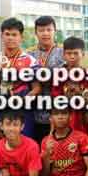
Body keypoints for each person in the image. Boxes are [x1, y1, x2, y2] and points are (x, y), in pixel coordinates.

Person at [0, 18, 41, 138]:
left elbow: (36, 88)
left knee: (24, 146)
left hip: (23, 111)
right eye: (7, 34)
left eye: (14, 34)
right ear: (2, 35)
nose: (10, 38)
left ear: (21, 37)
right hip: (1, 109)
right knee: (2, 146)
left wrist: (23, 101)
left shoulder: (30, 61)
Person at [27, 16, 64, 144]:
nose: (45, 33)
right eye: (41, 30)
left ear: (55, 31)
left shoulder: (63, 52)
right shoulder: (29, 55)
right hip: (34, 112)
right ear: (36, 32)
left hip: (58, 111)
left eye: (49, 30)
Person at [50, 36, 88, 135]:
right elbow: (55, 96)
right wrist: (67, 95)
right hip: (63, 118)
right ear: (63, 55)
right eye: (69, 53)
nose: (72, 57)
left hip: (81, 118)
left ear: (83, 54)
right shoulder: (59, 75)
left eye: (76, 53)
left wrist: (80, 94)